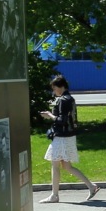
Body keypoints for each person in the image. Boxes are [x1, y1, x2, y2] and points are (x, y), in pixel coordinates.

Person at [38, 74, 97, 202]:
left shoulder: (63, 100)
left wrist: (49, 115)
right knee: (66, 166)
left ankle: (54, 195)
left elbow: (61, 120)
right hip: (69, 135)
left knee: (55, 165)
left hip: (62, 137)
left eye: (54, 88)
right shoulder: (70, 98)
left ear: (61, 87)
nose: (54, 91)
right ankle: (91, 186)